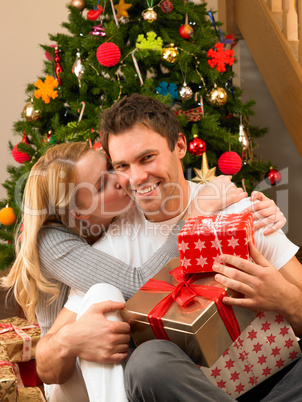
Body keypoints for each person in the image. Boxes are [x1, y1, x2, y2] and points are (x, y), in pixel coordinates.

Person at [34, 94, 297, 401]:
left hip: (284, 383)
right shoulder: (112, 251)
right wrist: (69, 340)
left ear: (180, 146)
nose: (136, 178)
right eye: (122, 165)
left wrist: (286, 299)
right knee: (148, 364)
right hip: (186, 393)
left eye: (147, 158)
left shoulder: (239, 211)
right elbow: (46, 367)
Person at [2, 141, 272, 401]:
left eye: (109, 168)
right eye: (100, 185)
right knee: (102, 294)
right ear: (79, 214)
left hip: (120, 354)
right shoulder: (51, 241)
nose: (120, 179)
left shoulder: (116, 216)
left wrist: (260, 210)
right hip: (70, 379)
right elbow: (138, 286)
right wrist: (195, 213)